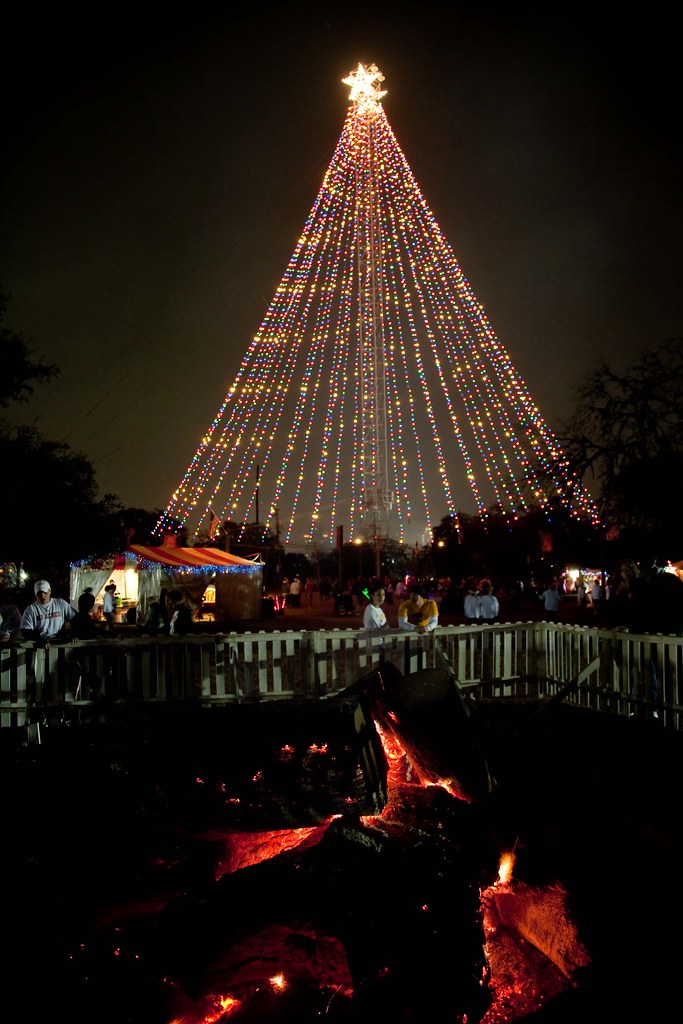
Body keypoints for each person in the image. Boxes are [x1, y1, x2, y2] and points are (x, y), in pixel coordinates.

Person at [20, 579, 76, 649]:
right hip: (40, 646)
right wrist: (40, 639)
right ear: (35, 594)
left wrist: (74, 634)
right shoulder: (30, 610)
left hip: (60, 643)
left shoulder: (60, 603)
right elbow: (26, 630)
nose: (42, 596)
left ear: (50, 591)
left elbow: (76, 619)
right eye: (39, 593)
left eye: (45, 593)